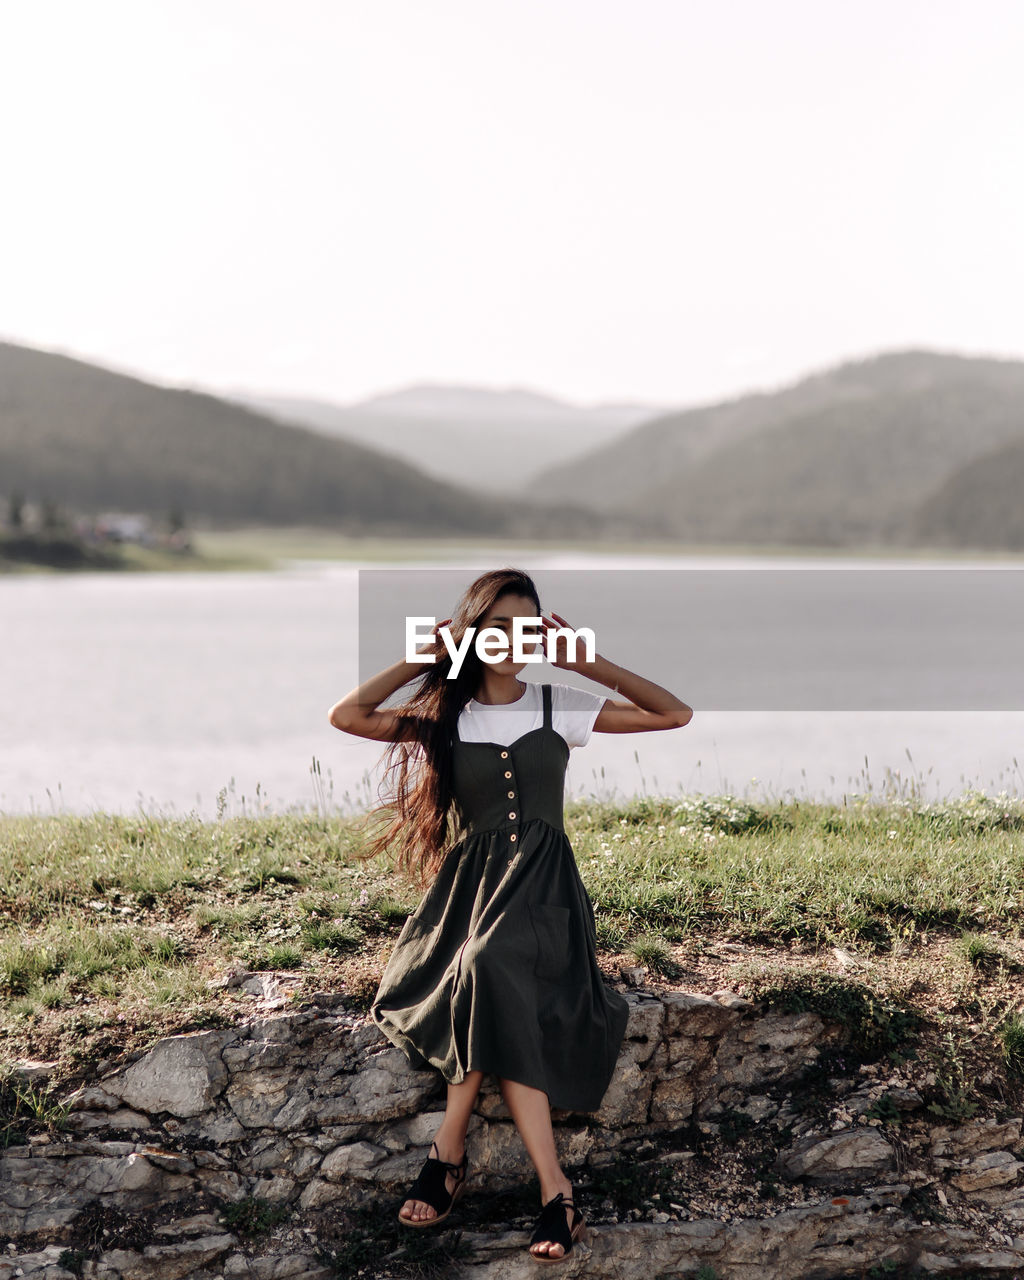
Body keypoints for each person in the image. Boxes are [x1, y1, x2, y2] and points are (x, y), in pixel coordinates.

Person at [328, 567, 692, 1263]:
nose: (511, 641)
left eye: (525, 628)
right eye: (495, 628)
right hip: (471, 893)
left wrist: (590, 663)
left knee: (488, 966)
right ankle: (557, 1194)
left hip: (547, 890)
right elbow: (347, 716)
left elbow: (673, 713)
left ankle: (447, 1150)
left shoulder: (561, 704)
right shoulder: (448, 714)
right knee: (490, 973)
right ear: (472, 632)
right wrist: (426, 656)